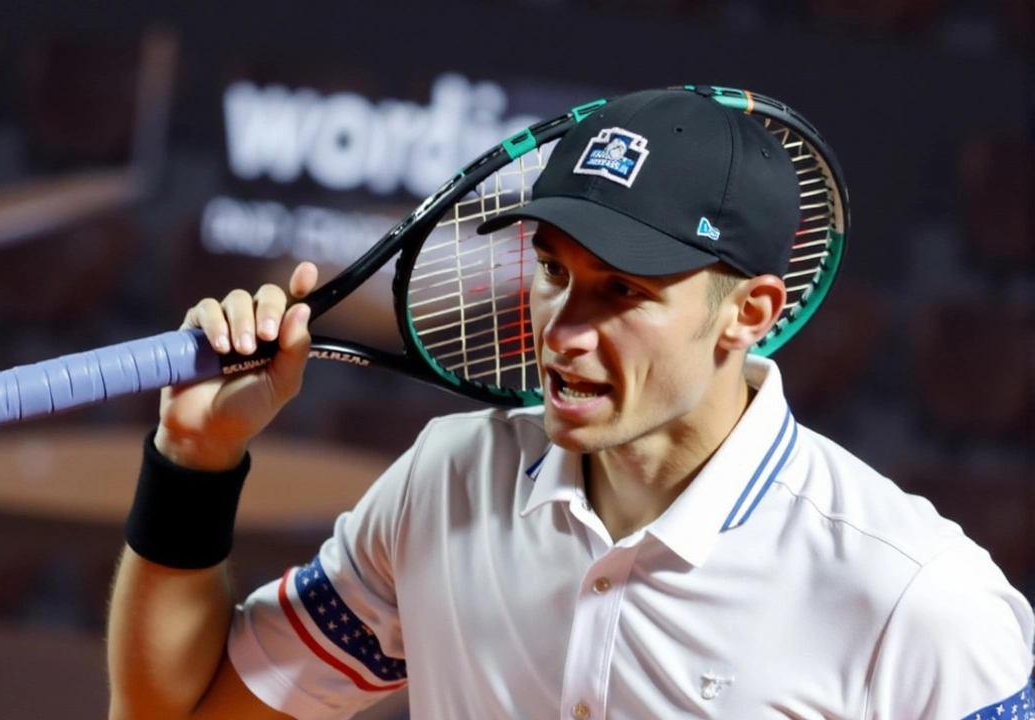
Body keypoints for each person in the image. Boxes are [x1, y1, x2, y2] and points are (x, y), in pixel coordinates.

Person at [106, 88, 1035, 720]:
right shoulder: (446, 482)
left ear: (747, 314)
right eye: (554, 271)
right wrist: (194, 461)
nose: (564, 331)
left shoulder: (920, 600)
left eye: (624, 291)